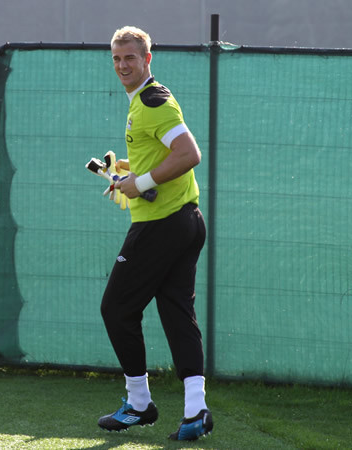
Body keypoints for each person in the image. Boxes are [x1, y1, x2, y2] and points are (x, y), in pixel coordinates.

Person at [96, 26, 213, 441]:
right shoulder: (145, 101)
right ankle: (196, 410)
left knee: (116, 308)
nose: (123, 65)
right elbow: (164, 152)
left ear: (148, 59)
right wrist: (130, 168)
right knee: (177, 314)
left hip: (162, 225)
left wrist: (141, 183)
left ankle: (140, 403)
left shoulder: (152, 100)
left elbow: (189, 154)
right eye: (116, 58)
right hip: (185, 220)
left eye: (130, 57)